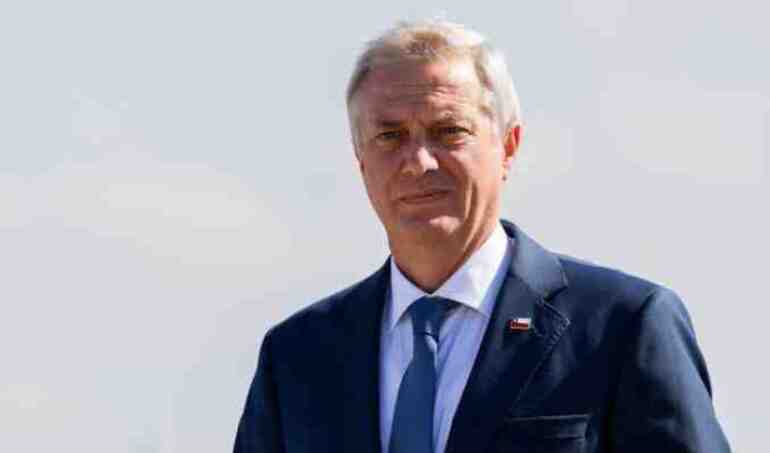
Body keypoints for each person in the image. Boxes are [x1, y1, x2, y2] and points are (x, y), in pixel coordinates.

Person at [233, 19, 731, 453]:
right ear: (360, 159)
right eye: (390, 136)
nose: (418, 162)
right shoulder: (297, 357)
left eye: (448, 131)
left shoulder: (622, 327)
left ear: (508, 145)